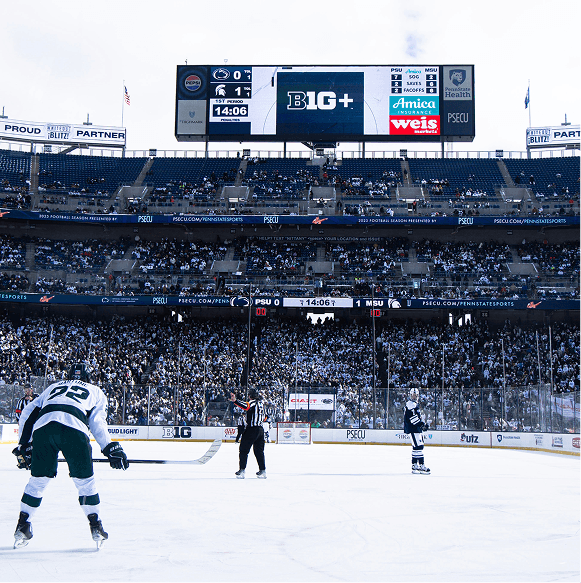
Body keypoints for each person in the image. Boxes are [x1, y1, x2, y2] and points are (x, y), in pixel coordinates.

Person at [12, 363, 129, 549]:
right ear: (88, 378)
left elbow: (28, 412)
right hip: (74, 429)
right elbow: (97, 421)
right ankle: (95, 526)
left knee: (37, 481)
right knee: (85, 482)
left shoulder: (53, 387)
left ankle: (23, 524)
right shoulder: (95, 391)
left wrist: (24, 445)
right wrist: (109, 447)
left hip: (44, 429)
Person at [230, 389, 266, 479]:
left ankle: (242, 470)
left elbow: (246, 406)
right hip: (261, 430)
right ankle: (263, 471)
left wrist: (235, 401)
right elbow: (265, 417)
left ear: (250, 396)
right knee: (259, 452)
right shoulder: (261, 404)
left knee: (243, 450)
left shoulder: (253, 403)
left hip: (252, 429)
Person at [403, 388, 430, 475]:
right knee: (419, 446)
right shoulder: (410, 405)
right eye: (413, 395)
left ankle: (415, 465)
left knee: (416, 447)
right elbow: (412, 418)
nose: (414, 397)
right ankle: (421, 466)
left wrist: (422, 424)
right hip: (413, 428)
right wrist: (421, 425)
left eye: (416, 395)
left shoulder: (414, 404)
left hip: (415, 428)